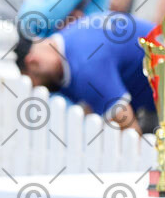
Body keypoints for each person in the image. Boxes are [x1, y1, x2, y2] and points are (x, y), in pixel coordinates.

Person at [17, 13, 156, 132]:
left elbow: (130, 134)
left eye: (31, 84)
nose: (37, 89)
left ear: (32, 62)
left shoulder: (86, 66)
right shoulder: (68, 44)